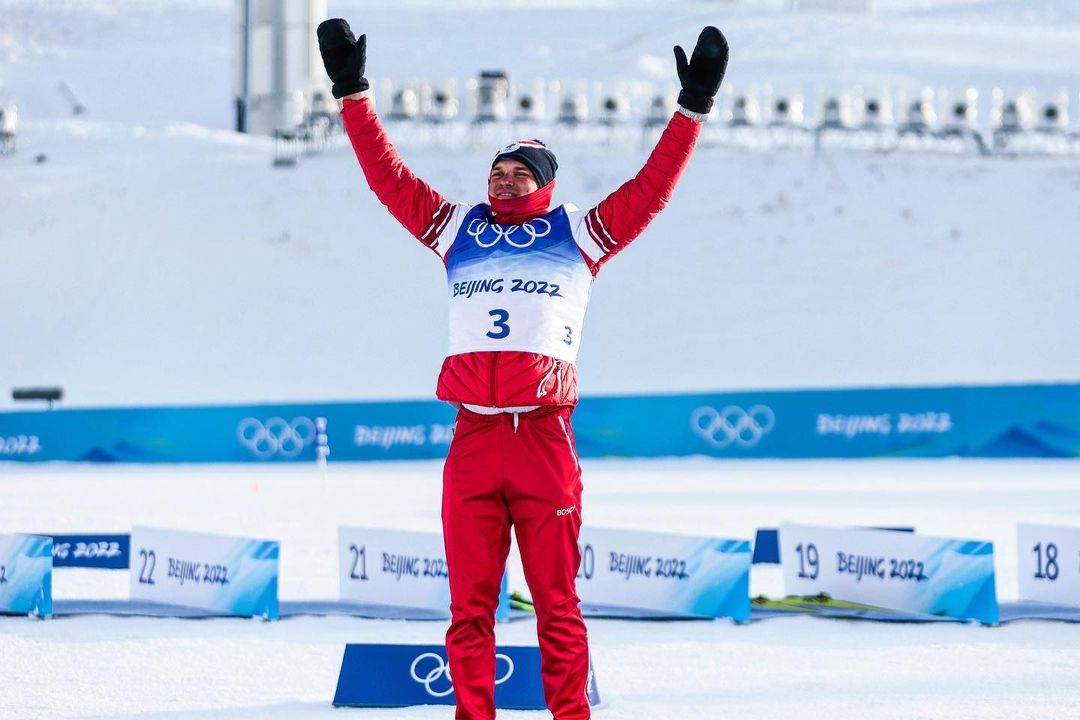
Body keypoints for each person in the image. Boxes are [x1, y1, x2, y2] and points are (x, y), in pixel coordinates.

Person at [317, 20, 728, 720]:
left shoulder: (581, 234)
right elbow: (388, 178)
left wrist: (692, 108)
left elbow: (651, 189)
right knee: (468, 611)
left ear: (546, 183)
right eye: (496, 173)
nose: (504, 180)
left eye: (520, 173)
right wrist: (353, 93)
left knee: (557, 608)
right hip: (474, 440)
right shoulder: (457, 229)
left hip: (542, 440)